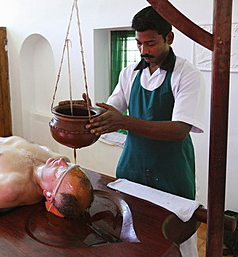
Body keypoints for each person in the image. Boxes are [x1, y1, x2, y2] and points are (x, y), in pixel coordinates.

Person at [85, 6, 204, 257]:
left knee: (176, 240)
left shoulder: (187, 74)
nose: (143, 51)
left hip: (171, 173)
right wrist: (88, 112)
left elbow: (179, 130)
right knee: (133, 232)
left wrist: (125, 122)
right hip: (133, 168)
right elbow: (112, 110)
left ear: (169, 38)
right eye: (139, 44)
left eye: (150, 44)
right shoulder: (129, 73)